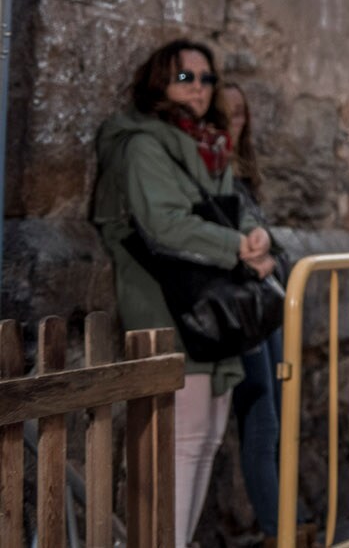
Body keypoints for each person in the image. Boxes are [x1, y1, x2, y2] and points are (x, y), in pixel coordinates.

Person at [92, 40, 277, 548]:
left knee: (207, 442)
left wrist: (258, 240)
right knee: (180, 447)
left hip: (212, 312)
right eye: (184, 77)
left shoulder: (206, 145)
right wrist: (239, 246)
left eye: (206, 78)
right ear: (159, 84)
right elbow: (164, 225)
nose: (198, 87)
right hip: (169, 311)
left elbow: (238, 209)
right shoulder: (143, 145)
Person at [217, 82, 290, 547]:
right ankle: (274, 528)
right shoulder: (210, 172)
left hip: (265, 304)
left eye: (241, 113)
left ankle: (279, 523)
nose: (234, 122)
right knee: (260, 422)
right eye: (225, 114)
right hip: (238, 307)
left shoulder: (242, 172)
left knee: (273, 420)